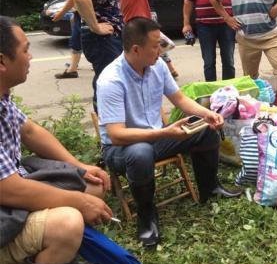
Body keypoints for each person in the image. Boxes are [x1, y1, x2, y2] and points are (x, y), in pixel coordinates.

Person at [96, 17, 241, 247]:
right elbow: (117, 135)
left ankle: (210, 188)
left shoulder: (157, 66)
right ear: (136, 49)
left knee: (204, 128)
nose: (161, 50)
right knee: (140, 152)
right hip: (120, 149)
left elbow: (180, 99)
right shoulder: (111, 80)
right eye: (156, 45)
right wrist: (166, 133)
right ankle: (146, 216)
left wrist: (207, 114)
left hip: (156, 138)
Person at [0, 16, 112, 264]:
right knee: (68, 223)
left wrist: (79, 167)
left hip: (15, 185)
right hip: (6, 198)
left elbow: (30, 132)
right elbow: (8, 189)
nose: (30, 57)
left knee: (93, 185)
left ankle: (52, 249)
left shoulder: (3, 98)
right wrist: (79, 202)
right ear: (2, 61)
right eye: (25, 50)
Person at [50, 0, 82, 79]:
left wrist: (60, 13)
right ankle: (74, 65)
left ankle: (72, 69)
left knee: (77, 39)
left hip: (82, 14)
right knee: (79, 39)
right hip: (79, 13)